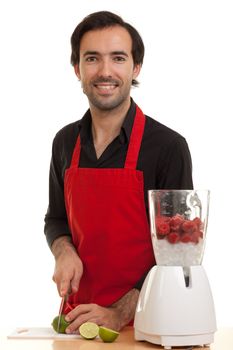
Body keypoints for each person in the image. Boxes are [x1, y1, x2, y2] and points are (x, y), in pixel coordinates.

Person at [44, 11, 193, 333]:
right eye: (92, 58)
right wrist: (63, 249)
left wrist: (119, 312)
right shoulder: (64, 142)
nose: (105, 71)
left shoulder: (168, 147)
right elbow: (56, 219)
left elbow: (179, 249)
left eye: (118, 58)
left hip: (151, 323)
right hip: (80, 322)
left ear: (135, 67)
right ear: (77, 68)